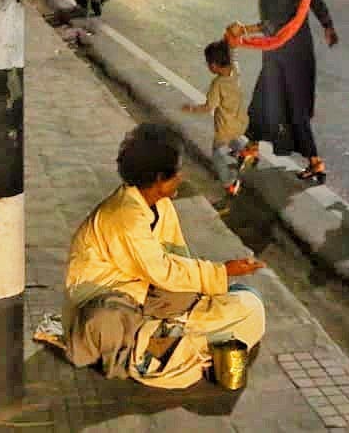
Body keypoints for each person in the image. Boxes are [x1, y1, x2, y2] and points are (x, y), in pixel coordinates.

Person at [63, 123, 267, 388]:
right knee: (115, 328)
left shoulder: (161, 205)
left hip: (148, 293)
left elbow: (177, 263)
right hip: (108, 301)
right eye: (177, 172)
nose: (181, 177)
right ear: (160, 178)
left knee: (249, 305)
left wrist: (205, 287)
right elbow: (164, 272)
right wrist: (222, 271)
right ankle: (168, 346)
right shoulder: (123, 216)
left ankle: (179, 340)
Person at [226, 0, 339, 182]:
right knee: (263, 98)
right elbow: (316, 2)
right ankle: (253, 146)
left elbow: (275, 22)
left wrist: (243, 29)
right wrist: (328, 26)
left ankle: (315, 161)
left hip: (286, 52)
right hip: (291, 50)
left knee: (293, 106)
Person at [183, 39, 259, 197]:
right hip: (240, 120)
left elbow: (208, 107)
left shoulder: (217, 84)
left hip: (225, 125)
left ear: (213, 66)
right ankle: (246, 151)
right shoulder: (236, 70)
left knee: (217, 153)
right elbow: (232, 54)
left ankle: (230, 182)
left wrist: (191, 108)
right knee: (233, 138)